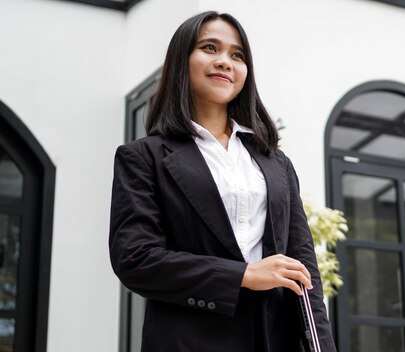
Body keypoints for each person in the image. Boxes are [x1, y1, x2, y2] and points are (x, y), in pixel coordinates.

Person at [109, 11, 336, 352]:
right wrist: (243, 275)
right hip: (186, 340)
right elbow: (136, 259)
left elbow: (305, 275)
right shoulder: (143, 158)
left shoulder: (277, 163)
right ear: (181, 60)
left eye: (237, 55)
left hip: (274, 339)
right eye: (209, 48)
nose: (224, 62)